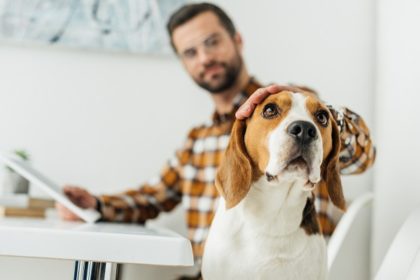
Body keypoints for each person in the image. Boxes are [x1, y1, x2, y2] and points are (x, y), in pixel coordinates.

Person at [57, 2, 375, 278]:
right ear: (184, 63)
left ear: (237, 40)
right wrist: (96, 204)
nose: (205, 57)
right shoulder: (197, 140)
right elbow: (153, 197)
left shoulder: (300, 106)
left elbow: (363, 157)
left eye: (212, 42)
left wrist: (327, 118)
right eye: (191, 52)